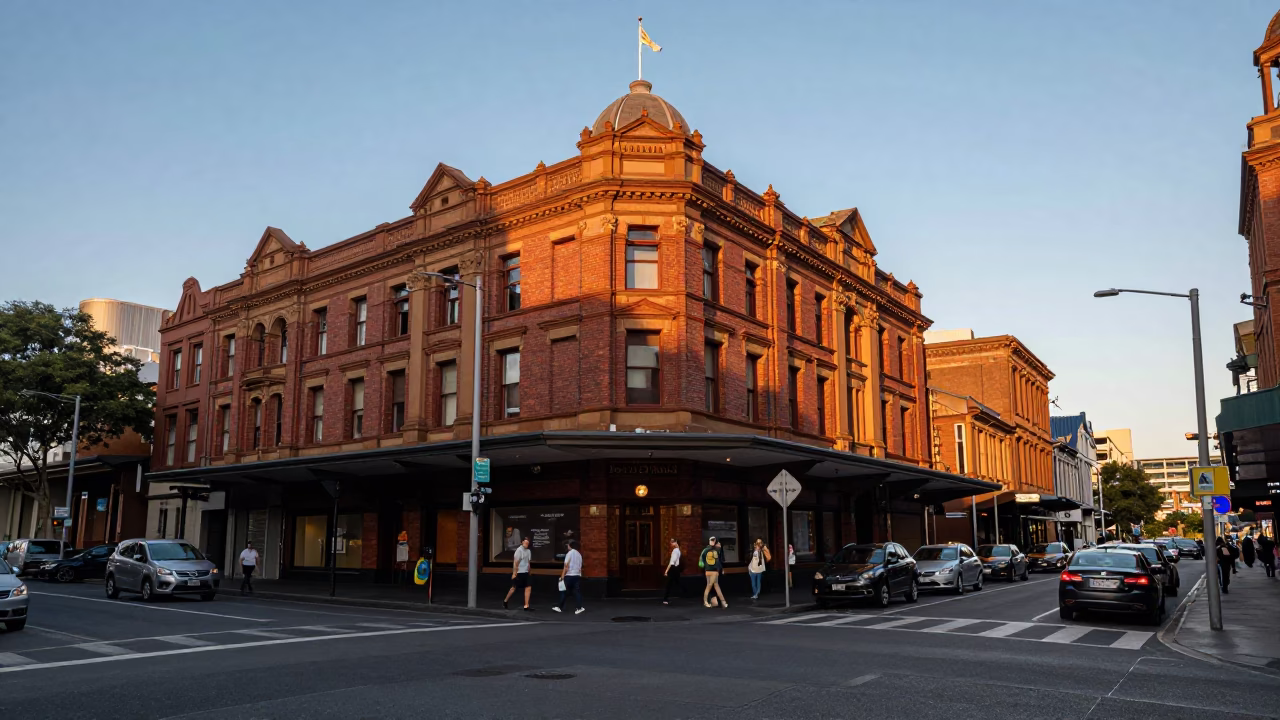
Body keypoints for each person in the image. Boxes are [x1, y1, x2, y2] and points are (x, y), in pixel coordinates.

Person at [503, 537, 534, 611]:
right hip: (519, 572)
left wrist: (529, 571)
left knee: (528, 587)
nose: (526, 544)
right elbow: (516, 563)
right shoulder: (519, 550)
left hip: (526, 572)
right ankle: (505, 601)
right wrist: (514, 573)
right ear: (522, 542)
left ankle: (526, 606)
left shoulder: (528, 551)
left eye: (527, 543)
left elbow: (528, 562)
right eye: (525, 543)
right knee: (513, 588)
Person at [554, 540, 584, 614]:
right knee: (577, 592)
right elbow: (580, 566)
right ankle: (579, 607)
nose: (567, 546)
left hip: (569, 575)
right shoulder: (579, 555)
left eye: (568, 545)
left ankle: (560, 607)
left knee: (563, 591)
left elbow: (566, 566)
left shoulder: (569, 553)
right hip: (577, 575)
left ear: (570, 546)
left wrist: (562, 576)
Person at [700, 536, 727, 609]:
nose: (719, 545)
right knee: (712, 586)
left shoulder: (715, 550)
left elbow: (720, 561)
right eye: (718, 544)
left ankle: (715, 601)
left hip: (713, 570)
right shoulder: (711, 550)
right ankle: (717, 601)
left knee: (713, 585)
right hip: (712, 570)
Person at [661, 538, 682, 605]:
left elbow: (671, 562)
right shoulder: (678, 550)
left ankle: (665, 599)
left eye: (672, 542)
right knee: (675, 582)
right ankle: (665, 599)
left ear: (676, 542)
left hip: (673, 569)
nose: (671, 543)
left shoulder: (675, 551)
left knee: (669, 584)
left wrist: (666, 571)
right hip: (675, 568)